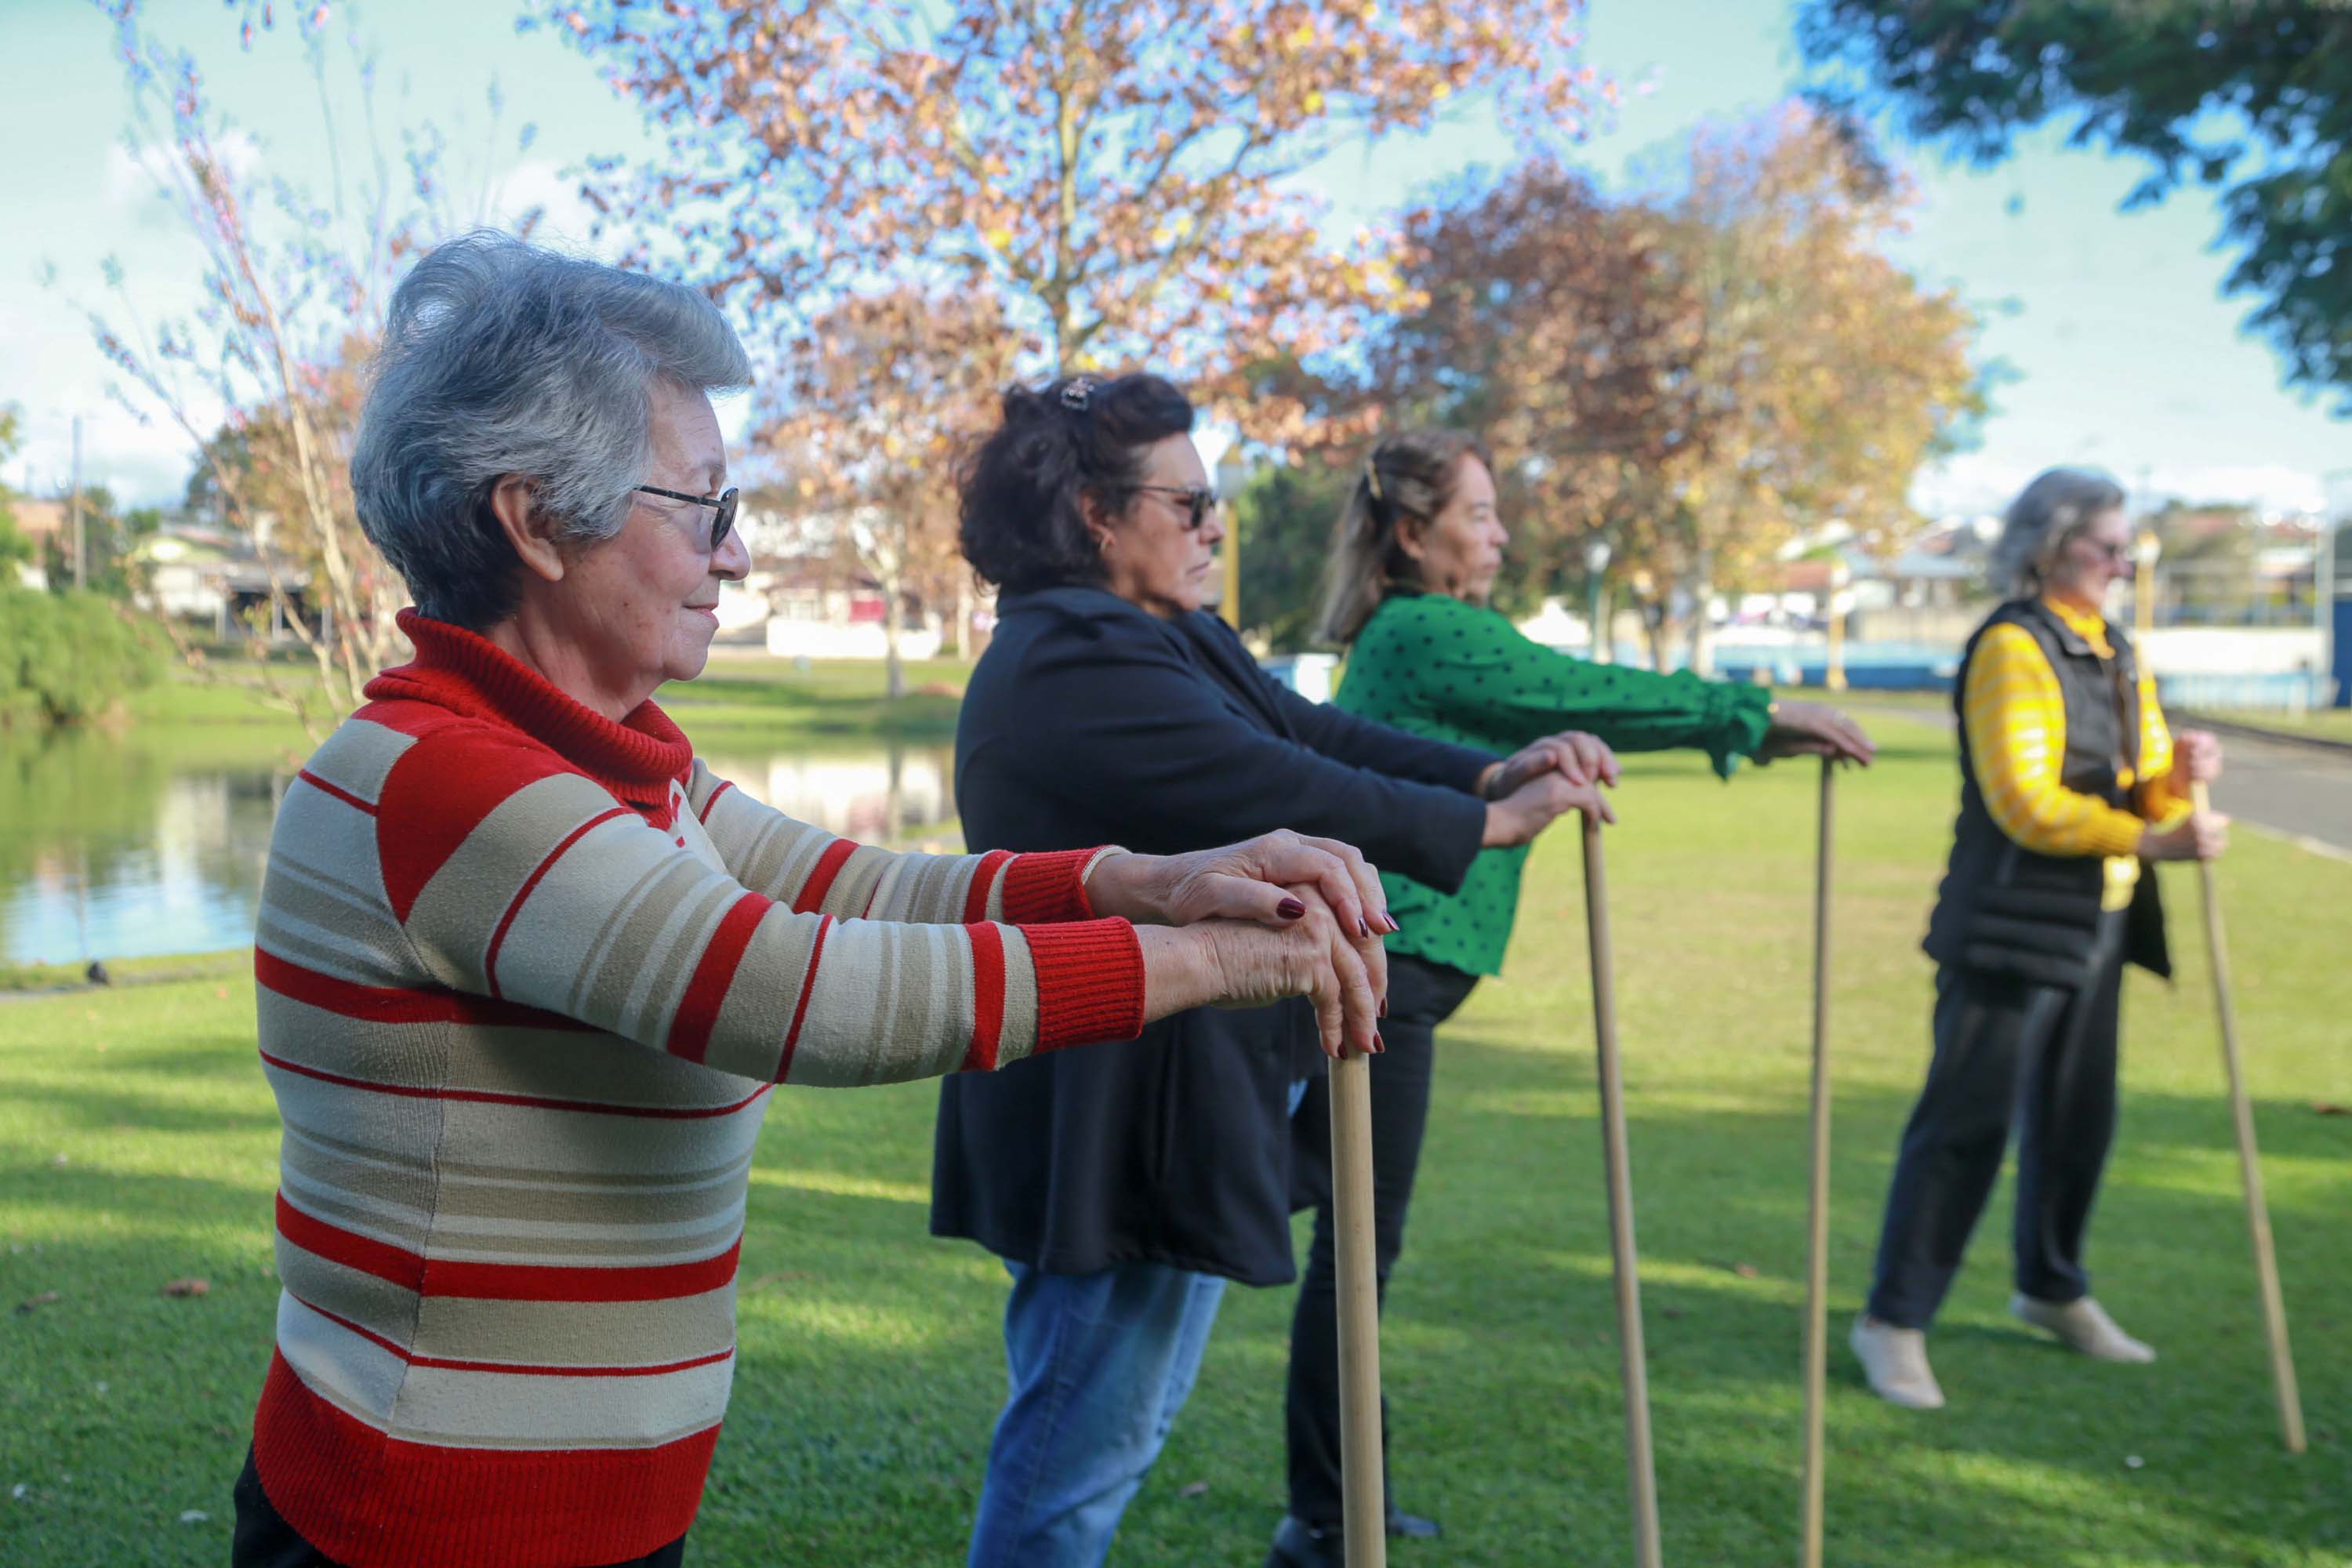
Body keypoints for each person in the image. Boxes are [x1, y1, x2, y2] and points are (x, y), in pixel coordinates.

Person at [231, 236, 1395, 1568]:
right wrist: (1200, 960)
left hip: (568, 1510)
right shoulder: (449, 783)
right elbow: (798, 992)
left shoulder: (605, 760)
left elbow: (850, 887)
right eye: (705, 507)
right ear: (535, 519)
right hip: (429, 1527)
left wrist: (1133, 880)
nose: (735, 557)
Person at [931, 376, 1617, 1568]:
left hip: (1169, 1091)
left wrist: (1486, 778)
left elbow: (1312, 734)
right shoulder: (1068, 663)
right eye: (1192, 502)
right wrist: (1484, 831)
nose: (1215, 526)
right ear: (1096, 512)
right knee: (1079, 1449)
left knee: (1111, 1427)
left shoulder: (1162, 631)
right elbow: (1285, 789)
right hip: (1103, 1112)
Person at [1274, 428, 1876, 1565]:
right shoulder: (1424, 628)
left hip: (1399, 974)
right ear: (1414, 533)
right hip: (1382, 976)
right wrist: (1753, 717)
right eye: (1482, 514)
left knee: (1340, 1226)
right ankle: (1327, 1514)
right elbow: (1581, 689)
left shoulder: (1422, 631)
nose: (1499, 535)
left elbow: (1556, 711)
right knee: (1352, 1243)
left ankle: (1333, 1499)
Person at [1849, 466, 2227, 1412]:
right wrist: (2151, 836)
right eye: (2105, 545)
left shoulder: (2113, 645)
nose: (2120, 562)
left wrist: (2176, 778)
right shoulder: (2012, 645)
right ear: (2049, 546)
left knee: (2078, 1118)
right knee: (1965, 1126)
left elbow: (2136, 785)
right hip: (2009, 922)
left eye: (2124, 545)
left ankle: (2051, 1286)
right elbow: (2024, 802)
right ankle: (1893, 1320)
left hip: (2100, 916)